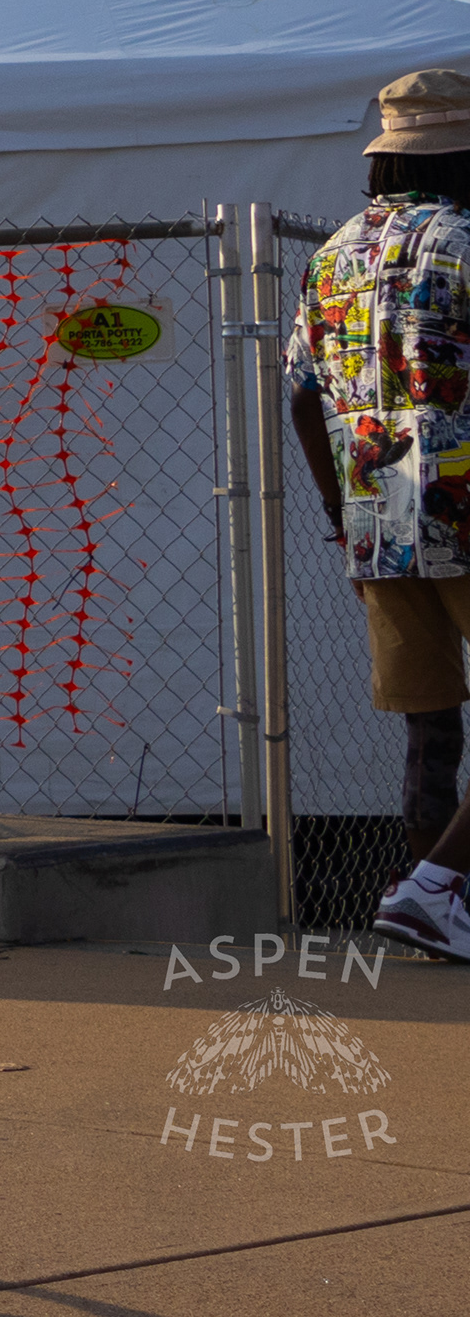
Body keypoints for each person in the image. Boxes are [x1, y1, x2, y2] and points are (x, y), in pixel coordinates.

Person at [289, 65, 470, 960]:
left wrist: (336, 506)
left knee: (431, 724)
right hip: (466, 510)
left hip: (376, 518)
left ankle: (419, 895)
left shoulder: (332, 253)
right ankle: (438, 890)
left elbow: (297, 395)